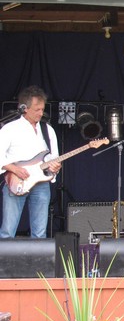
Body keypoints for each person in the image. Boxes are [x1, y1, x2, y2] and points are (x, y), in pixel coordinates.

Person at [0, 85, 61, 238]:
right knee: (8, 230)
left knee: (40, 233)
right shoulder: (10, 128)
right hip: (16, 181)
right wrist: (14, 169)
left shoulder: (48, 130)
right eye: (37, 110)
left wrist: (54, 167)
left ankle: (38, 262)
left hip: (41, 183)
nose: (41, 113)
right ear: (24, 108)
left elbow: (53, 157)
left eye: (42, 109)